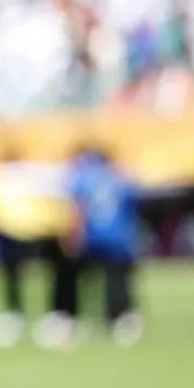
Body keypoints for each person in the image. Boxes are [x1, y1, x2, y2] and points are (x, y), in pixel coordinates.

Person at [68, 147, 143, 347]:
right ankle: (121, 317)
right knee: (118, 279)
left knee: (85, 279)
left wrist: (75, 235)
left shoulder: (84, 179)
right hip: (119, 237)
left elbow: (79, 209)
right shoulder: (120, 179)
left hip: (95, 238)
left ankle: (78, 317)